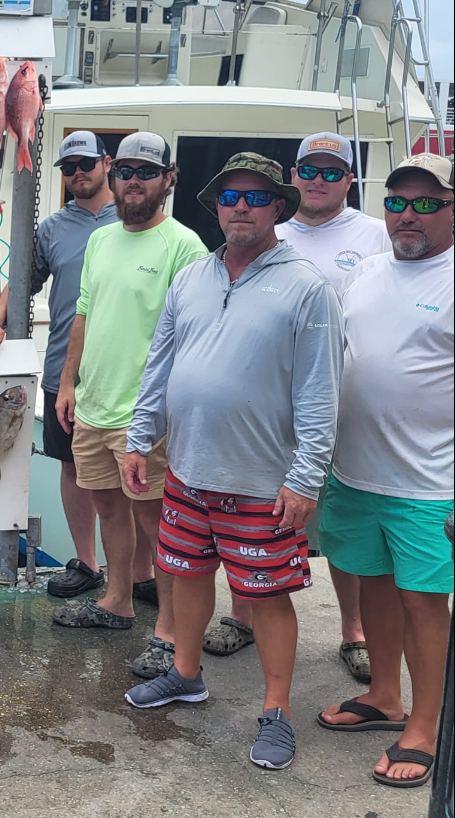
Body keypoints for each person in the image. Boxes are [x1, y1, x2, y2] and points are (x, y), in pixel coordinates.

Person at [123, 153, 342, 772]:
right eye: (229, 196)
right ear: (215, 207)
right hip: (187, 470)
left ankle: (276, 711)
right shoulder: (192, 276)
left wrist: (306, 478)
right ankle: (186, 673)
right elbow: (160, 363)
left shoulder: (307, 287)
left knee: (268, 598)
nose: (240, 206)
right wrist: (140, 438)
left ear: (278, 207)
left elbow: (321, 391)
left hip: (263, 482)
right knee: (187, 577)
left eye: (255, 196)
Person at [205, 132, 389, 678]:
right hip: (264, 420)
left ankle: (353, 631)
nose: (318, 180)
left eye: (332, 172)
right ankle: (242, 615)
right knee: (250, 521)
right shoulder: (267, 230)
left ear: (349, 179)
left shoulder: (375, 235)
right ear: (292, 177)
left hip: (346, 410)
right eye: (309, 169)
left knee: (341, 528)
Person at [316, 153, 453, 788]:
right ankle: (385, 696)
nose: (408, 215)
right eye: (397, 203)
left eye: (427, 204)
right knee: (372, 583)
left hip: (431, 483)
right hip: (354, 471)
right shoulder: (366, 271)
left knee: (423, 600)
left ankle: (425, 725)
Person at [49, 132, 208, 681]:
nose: (133, 181)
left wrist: (164, 409)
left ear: (169, 180)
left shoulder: (185, 246)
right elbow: (83, 314)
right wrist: (67, 383)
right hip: (93, 405)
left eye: (147, 172)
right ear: (113, 176)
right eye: (126, 171)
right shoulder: (100, 239)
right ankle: (117, 600)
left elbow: (193, 335)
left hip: (148, 416)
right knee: (108, 507)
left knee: (156, 521)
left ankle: (167, 630)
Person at [0, 131, 115, 597]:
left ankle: (139, 574)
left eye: (86, 164)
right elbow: (22, 282)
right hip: (64, 371)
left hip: (124, 374)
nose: (78, 173)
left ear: (106, 164)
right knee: (72, 467)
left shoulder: (133, 220)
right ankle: (88, 563)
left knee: (130, 476)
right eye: (69, 167)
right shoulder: (53, 228)